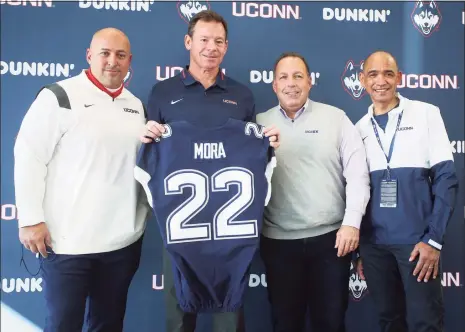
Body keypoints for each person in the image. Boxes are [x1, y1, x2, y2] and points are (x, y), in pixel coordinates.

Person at [140, 10, 280, 332]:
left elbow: (251, 155)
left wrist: (268, 143)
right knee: (178, 313)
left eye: (218, 41)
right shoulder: (163, 92)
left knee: (229, 314)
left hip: (231, 225)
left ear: (226, 47)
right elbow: (153, 156)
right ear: (189, 42)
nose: (210, 47)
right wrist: (147, 136)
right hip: (180, 223)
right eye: (204, 39)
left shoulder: (241, 95)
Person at [14, 28, 150, 332]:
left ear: (130, 61)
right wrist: (30, 219)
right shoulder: (59, 96)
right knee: (64, 325)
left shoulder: (136, 106)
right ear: (90, 56)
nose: (112, 61)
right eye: (105, 53)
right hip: (67, 244)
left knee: (108, 325)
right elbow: (29, 155)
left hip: (121, 244)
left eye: (120, 55)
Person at [256, 52, 370, 332]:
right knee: (285, 324)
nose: (291, 83)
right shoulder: (258, 124)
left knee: (330, 323)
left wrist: (352, 224)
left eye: (298, 76)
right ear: (274, 85)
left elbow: (358, 175)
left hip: (331, 242)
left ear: (310, 81)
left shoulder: (336, 119)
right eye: (283, 77)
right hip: (279, 244)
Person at [355, 50, 458, 332]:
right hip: (374, 247)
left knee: (426, 323)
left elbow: (447, 179)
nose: (381, 81)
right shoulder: (358, 128)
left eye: (388, 73)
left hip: (417, 245)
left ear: (399, 78)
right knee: (389, 322)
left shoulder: (426, 113)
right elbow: (358, 192)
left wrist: (433, 240)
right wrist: (361, 251)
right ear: (363, 80)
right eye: (373, 74)